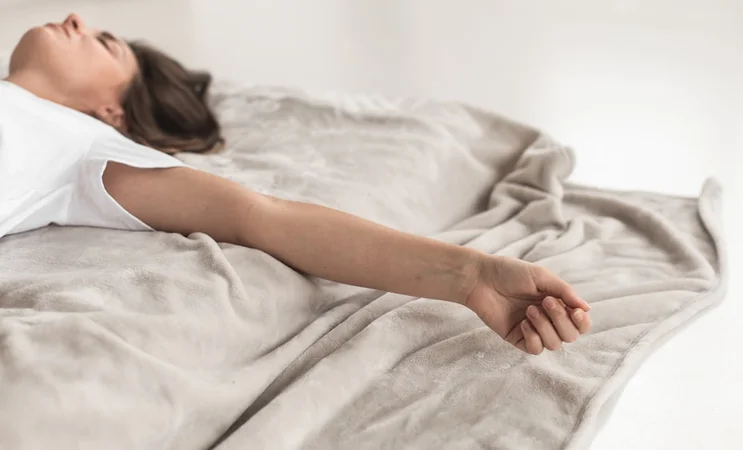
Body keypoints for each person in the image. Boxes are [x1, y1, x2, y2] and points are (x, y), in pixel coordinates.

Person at [0, 13, 592, 356]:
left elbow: (265, 216)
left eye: (105, 42)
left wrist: (470, 276)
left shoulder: (87, 147)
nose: (76, 18)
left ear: (114, 113)